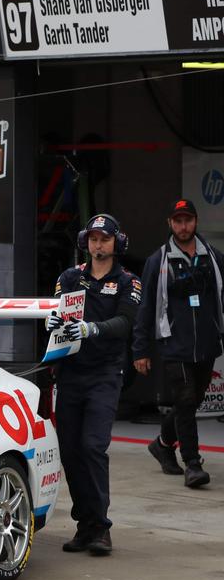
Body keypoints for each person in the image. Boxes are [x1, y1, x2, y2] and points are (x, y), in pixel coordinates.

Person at [47, 214, 141, 555]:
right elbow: (54, 312)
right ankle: (84, 524)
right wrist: (51, 320)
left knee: (92, 447)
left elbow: (125, 323)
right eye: (93, 238)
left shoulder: (128, 281)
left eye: (104, 239)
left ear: (117, 243)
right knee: (70, 452)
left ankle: (102, 528)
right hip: (70, 372)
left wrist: (91, 329)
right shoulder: (70, 277)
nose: (98, 244)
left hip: (105, 373)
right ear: (85, 242)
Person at [133, 199, 222, 489]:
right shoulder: (157, 261)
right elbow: (145, 307)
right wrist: (141, 349)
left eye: (188, 220)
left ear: (195, 222)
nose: (183, 226)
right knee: (184, 400)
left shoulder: (214, 257)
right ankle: (193, 464)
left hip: (207, 344)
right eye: (178, 221)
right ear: (170, 224)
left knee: (191, 403)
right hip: (174, 344)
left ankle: (162, 444)